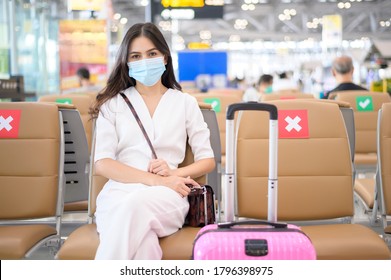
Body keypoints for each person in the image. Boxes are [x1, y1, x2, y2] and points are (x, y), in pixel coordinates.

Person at [89, 22, 215, 260]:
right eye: (135, 56)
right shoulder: (112, 104)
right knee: (144, 245)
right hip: (118, 192)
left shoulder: (185, 103)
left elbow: (207, 160)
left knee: (135, 207)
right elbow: (103, 163)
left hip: (169, 194)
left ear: (165, 58)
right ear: (126, 62)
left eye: (152, 54)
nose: (144, 61)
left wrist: (172, 174)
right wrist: (154, 180)